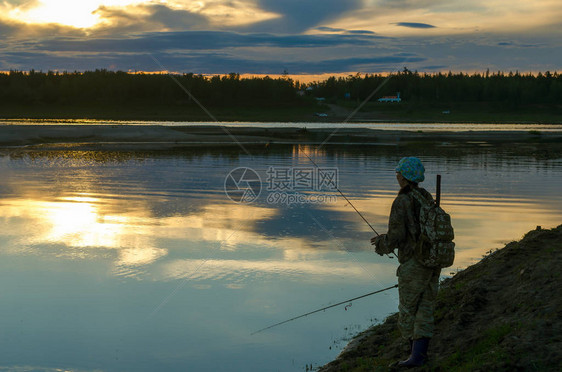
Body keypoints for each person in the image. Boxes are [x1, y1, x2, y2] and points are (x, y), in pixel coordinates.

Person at [370, 157, 440, 368]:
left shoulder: (402, 200)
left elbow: (397, 236)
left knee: (408, 309)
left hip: (414, 262)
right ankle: (419, 355)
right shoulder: (425, 196)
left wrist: (382, 245)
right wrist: (387, 237)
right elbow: (414, 229)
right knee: (425, 306)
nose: (397, 176)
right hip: (432, 259)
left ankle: (413, 357)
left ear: (405, 176)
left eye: (398, 172)